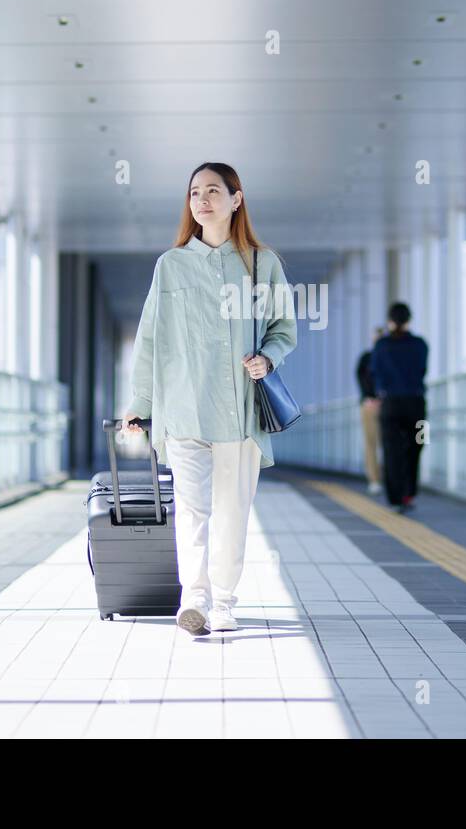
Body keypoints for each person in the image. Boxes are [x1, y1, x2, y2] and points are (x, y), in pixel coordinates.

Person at [122, 162, 297, 636]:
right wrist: (140, 403)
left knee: (232, 511)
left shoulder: (262, 263)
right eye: (195, 191)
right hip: (183, 408)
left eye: (214, 190)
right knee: (194, 509)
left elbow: (284, 329)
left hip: (240, 410)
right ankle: (194, 598)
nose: (202, 199)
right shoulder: (171, 265)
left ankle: (224, 601)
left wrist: (269, 358)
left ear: (236, 199)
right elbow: (150, 338)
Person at [369, 302, 427, 511]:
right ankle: (409, 493)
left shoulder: (382, 345)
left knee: (391, 449)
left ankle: (395, 497)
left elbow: (374, 371)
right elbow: (422, 370)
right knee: (417, 446)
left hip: (390, 404)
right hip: (417, 403)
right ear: (409, 320)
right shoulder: (421, 344)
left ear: (390, 321)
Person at [356, 327, 386, 495]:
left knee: (386, 443)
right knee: (371, 442)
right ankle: (374, 479)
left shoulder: (387, 357)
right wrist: (369, 397)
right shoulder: (366, 358)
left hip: (385, 404)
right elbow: (361, 378)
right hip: (370, 404)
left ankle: (383, 478)